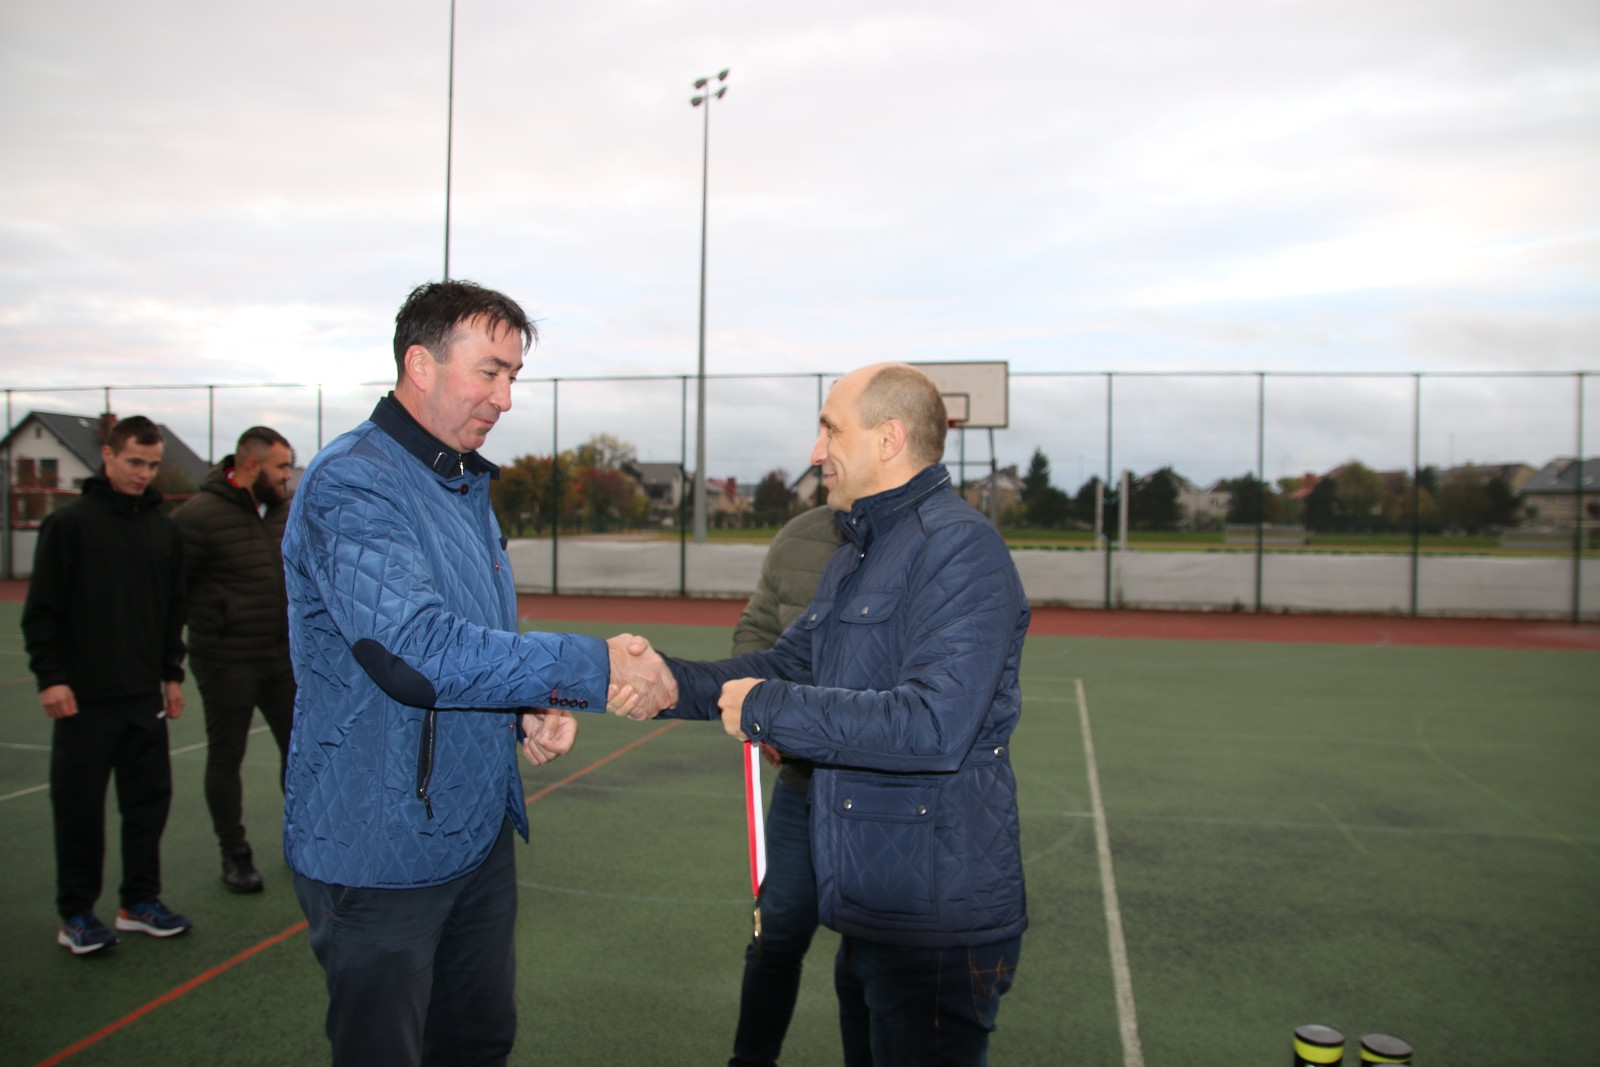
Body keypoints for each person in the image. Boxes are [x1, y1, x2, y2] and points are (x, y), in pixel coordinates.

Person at [280, 280, 676, 1067]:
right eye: (489, 372)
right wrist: (591, 664)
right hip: (380, 843)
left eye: (513, 377)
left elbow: (475, 640)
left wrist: (526, 705)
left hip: (474, 830)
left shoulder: (463, 483)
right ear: (419, 364)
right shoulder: (353, 482)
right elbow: (416, 653)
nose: (504, 397)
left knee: (477, 1041)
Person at [655, 363, 1029, 1067]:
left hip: (934, 920)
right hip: (878, 905)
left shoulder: (959, 547)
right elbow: (787, 665)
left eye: (830, 430)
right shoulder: (863, 549)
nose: (815, 450)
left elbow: (934, 724)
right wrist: (662, 682)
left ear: (888, 439)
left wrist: (767, 709)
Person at [24, 415, 193, 954]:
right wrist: (52, 679)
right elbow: (41, 611)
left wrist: (171, 674)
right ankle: (75, 914)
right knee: (79, 810)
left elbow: (171, 612)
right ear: (108, 456)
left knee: (148, 804)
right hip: (84, 700)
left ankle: (139, 902)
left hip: (143, 698)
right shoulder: (68, 525)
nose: (144, 473)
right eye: (134, 462)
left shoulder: (164, 530)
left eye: (152, 465)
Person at [726, 502, 842, 1067]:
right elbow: (757, 628)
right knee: (773, 941)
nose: (818, 459)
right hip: (800, 789)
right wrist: (764, 708)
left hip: (891, 802)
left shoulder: (932, 539)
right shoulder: (798, 535)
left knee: (876, 962)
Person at [172, 426, 298, 893]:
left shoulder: (288, 511)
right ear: (250, 466)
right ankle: (235, 854)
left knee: (301, 751)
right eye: (280, 467)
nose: (287, 476)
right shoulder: (197, 517)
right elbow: (171, 593)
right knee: (227, 756)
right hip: (226, 661)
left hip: (283, 657)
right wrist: (169, 665)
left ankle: (301, 839)